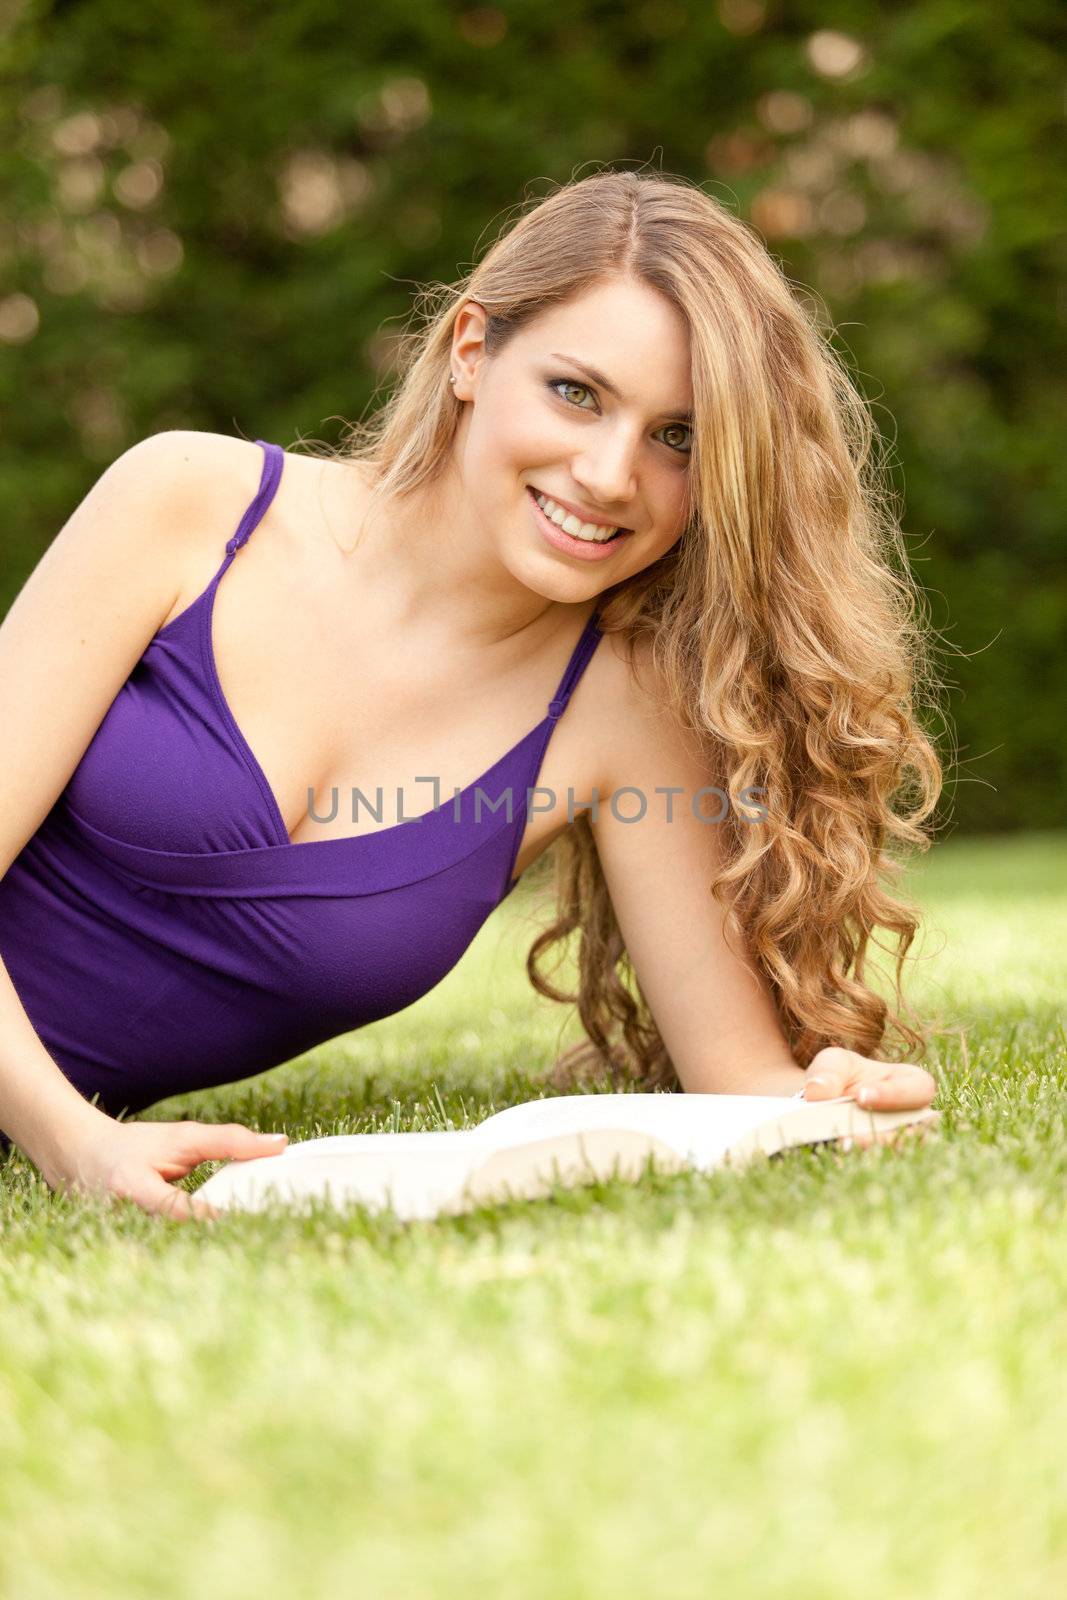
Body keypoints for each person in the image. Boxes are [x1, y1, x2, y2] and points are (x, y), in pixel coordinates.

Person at [0, 169, 944, 1222]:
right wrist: (68, 1135)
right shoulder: (192, 504)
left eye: (676, 437)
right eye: (575, 392)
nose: (607, 473)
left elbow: (738, 1077)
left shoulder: (617, 708)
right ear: (469, 353)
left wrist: (837, 1100)